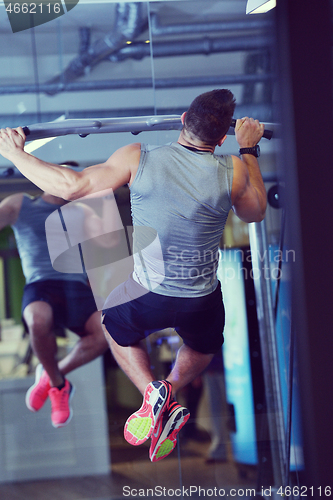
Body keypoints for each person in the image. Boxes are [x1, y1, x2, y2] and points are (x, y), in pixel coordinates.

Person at [0, 89, 266, 460]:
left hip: (148, 293)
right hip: (200, 297)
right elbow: (255, 212)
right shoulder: (233, 168)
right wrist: (249, 152)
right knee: (203, 349)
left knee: (111, 326)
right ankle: (169, 388)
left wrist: (15, 153)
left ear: (183, 119)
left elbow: (71, 186)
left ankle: (153, 394)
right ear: (223, 138)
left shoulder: (138, 158)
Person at [0, 187, 118, 428]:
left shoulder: (81, 211)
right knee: (36, 320)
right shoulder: (21, 203)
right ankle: (57, 384)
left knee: (108, 332)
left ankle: (51, 378)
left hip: (75, 285)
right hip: (41, 283)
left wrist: (106, 196)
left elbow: (110, 239)